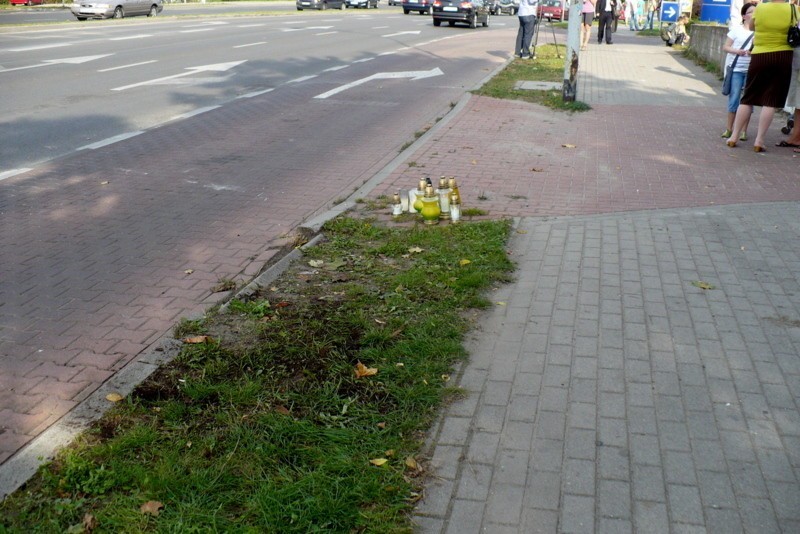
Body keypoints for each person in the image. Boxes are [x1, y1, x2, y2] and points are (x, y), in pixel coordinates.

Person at [727, 0, 798, 152]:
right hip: (783, 56)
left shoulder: (760, 8)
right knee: (770, 101)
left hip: (760, 54)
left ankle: (734, 137)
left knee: (748, 97)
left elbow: (752, 27)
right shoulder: (793, 9)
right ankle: (759, 141)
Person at [722, 3, 756, 141]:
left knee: (748, 100)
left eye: (756, 12)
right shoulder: (736, 30)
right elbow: (725, 46)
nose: (754, 14)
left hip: (751, 70)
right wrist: (738, 51)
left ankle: (743, 131)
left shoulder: (758, 32)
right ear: (744, 16)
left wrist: (752, 52)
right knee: (734, 98)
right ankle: (729, 129)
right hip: (736, 69)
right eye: (751, 12)